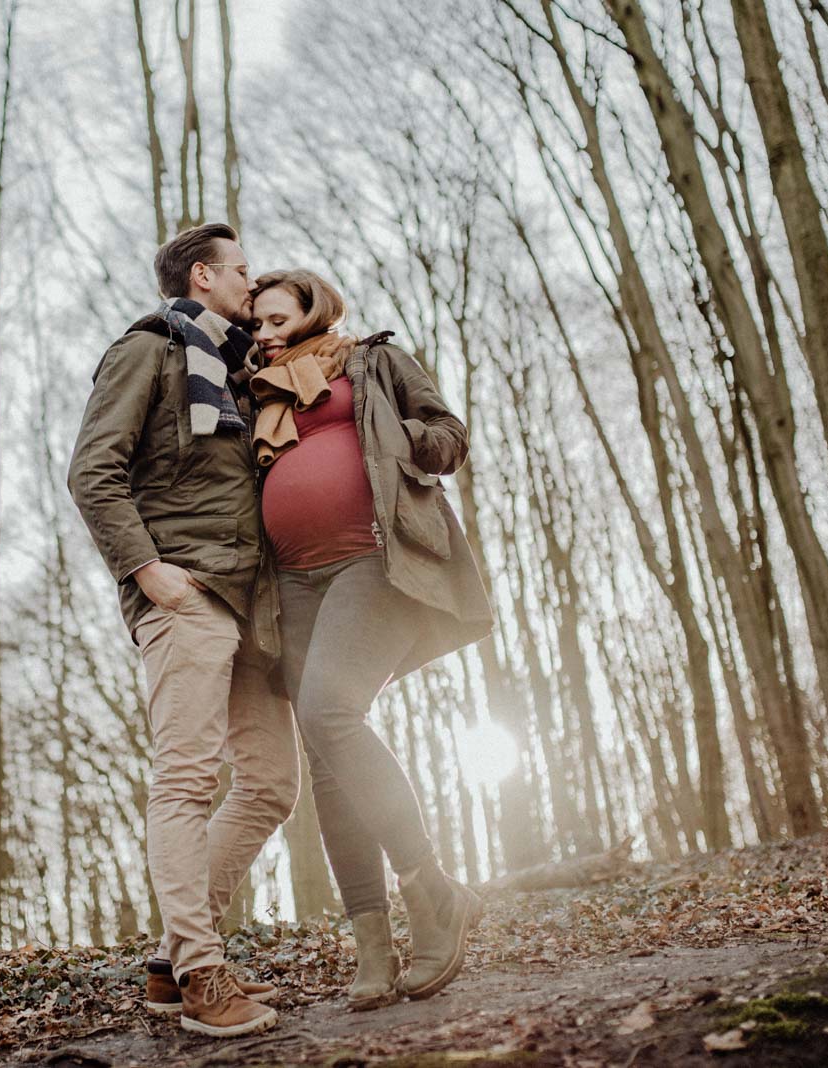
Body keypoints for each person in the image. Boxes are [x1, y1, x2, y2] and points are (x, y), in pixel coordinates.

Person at [67, 223, 297, 1038]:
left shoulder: (237, 372)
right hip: (185, 590)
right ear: (202, 276)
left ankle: (171, 959)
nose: (251, 279)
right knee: (187, 779)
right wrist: (144, 569)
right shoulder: (150, 350)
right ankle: (203, 972)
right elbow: (92, 469)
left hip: (249, 601)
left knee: (271, 781)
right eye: (240, 269)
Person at [248, 269, 493, 1011]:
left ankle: (432, 890)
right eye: (254, 322)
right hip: (290, 583)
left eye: (274, 316)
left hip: (373, 560)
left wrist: (398, 440)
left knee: (329, 713)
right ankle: (373, 946)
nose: (261, 331)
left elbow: (449, 438)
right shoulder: (251, 394)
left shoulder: (374, 360)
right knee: (325, 761)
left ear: (312, 308)